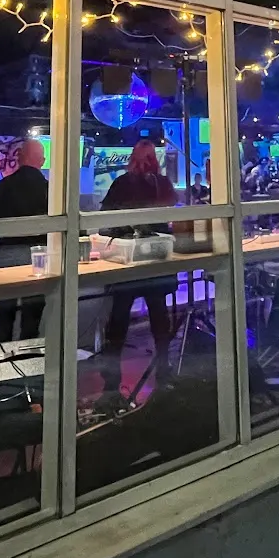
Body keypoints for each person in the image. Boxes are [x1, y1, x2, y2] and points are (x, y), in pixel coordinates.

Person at [95, 140, 178, 403]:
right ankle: (163, 374)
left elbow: (104, 218)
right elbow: (170, 216)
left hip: (129, 260)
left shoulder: (121, 183)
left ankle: (111, 385)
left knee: (118, 323)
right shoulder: (163, 184)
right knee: (159, 320)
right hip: (155, 258)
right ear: (154, 159)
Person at [0, 138, 48, 342]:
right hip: (38, 256)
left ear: (19, 157)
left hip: (6, 256)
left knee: (4, 314)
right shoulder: (50, 191)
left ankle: (2, 357)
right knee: (32, 314)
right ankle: (27, 356)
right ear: (42, 161)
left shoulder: (0, 188)